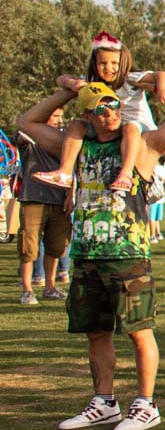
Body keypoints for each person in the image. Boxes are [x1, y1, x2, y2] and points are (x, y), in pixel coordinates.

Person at [18, 76, 165, 430]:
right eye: (100, 108)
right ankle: (104, 402)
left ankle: (146, 405)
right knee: (96, 333)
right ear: (87, 115)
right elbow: (28, 123)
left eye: (113, 104)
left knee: (139, 332)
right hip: (87, 254)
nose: (109, 112)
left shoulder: (143, 145)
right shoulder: (76, 145)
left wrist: (155, 86)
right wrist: (68, 91)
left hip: (128, 255)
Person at [31, 33, 163, 204]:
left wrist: (163, 88)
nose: (109, 68)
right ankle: (64, 172)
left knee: (130, 128)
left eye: (114, 63)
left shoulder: (129, 79)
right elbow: (60, 78)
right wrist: (71, 84)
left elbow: (161, 74)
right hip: (112, 126)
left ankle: (126, 173)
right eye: (103, 63)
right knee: (76, 125)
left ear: (122, 63)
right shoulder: (93, 84)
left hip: (138, 127)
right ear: (95, 64)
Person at [15, 105, 72, 306]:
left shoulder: (65, 141)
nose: (58, 120)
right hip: (33, 198)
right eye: (54, 116)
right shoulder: (30, 138)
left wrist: (70, 196)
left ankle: (50, 287)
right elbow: (21, 134)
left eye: (60, 116)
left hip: (59, 198)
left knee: (56, 246)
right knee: (28, 247)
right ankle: (27, 290)